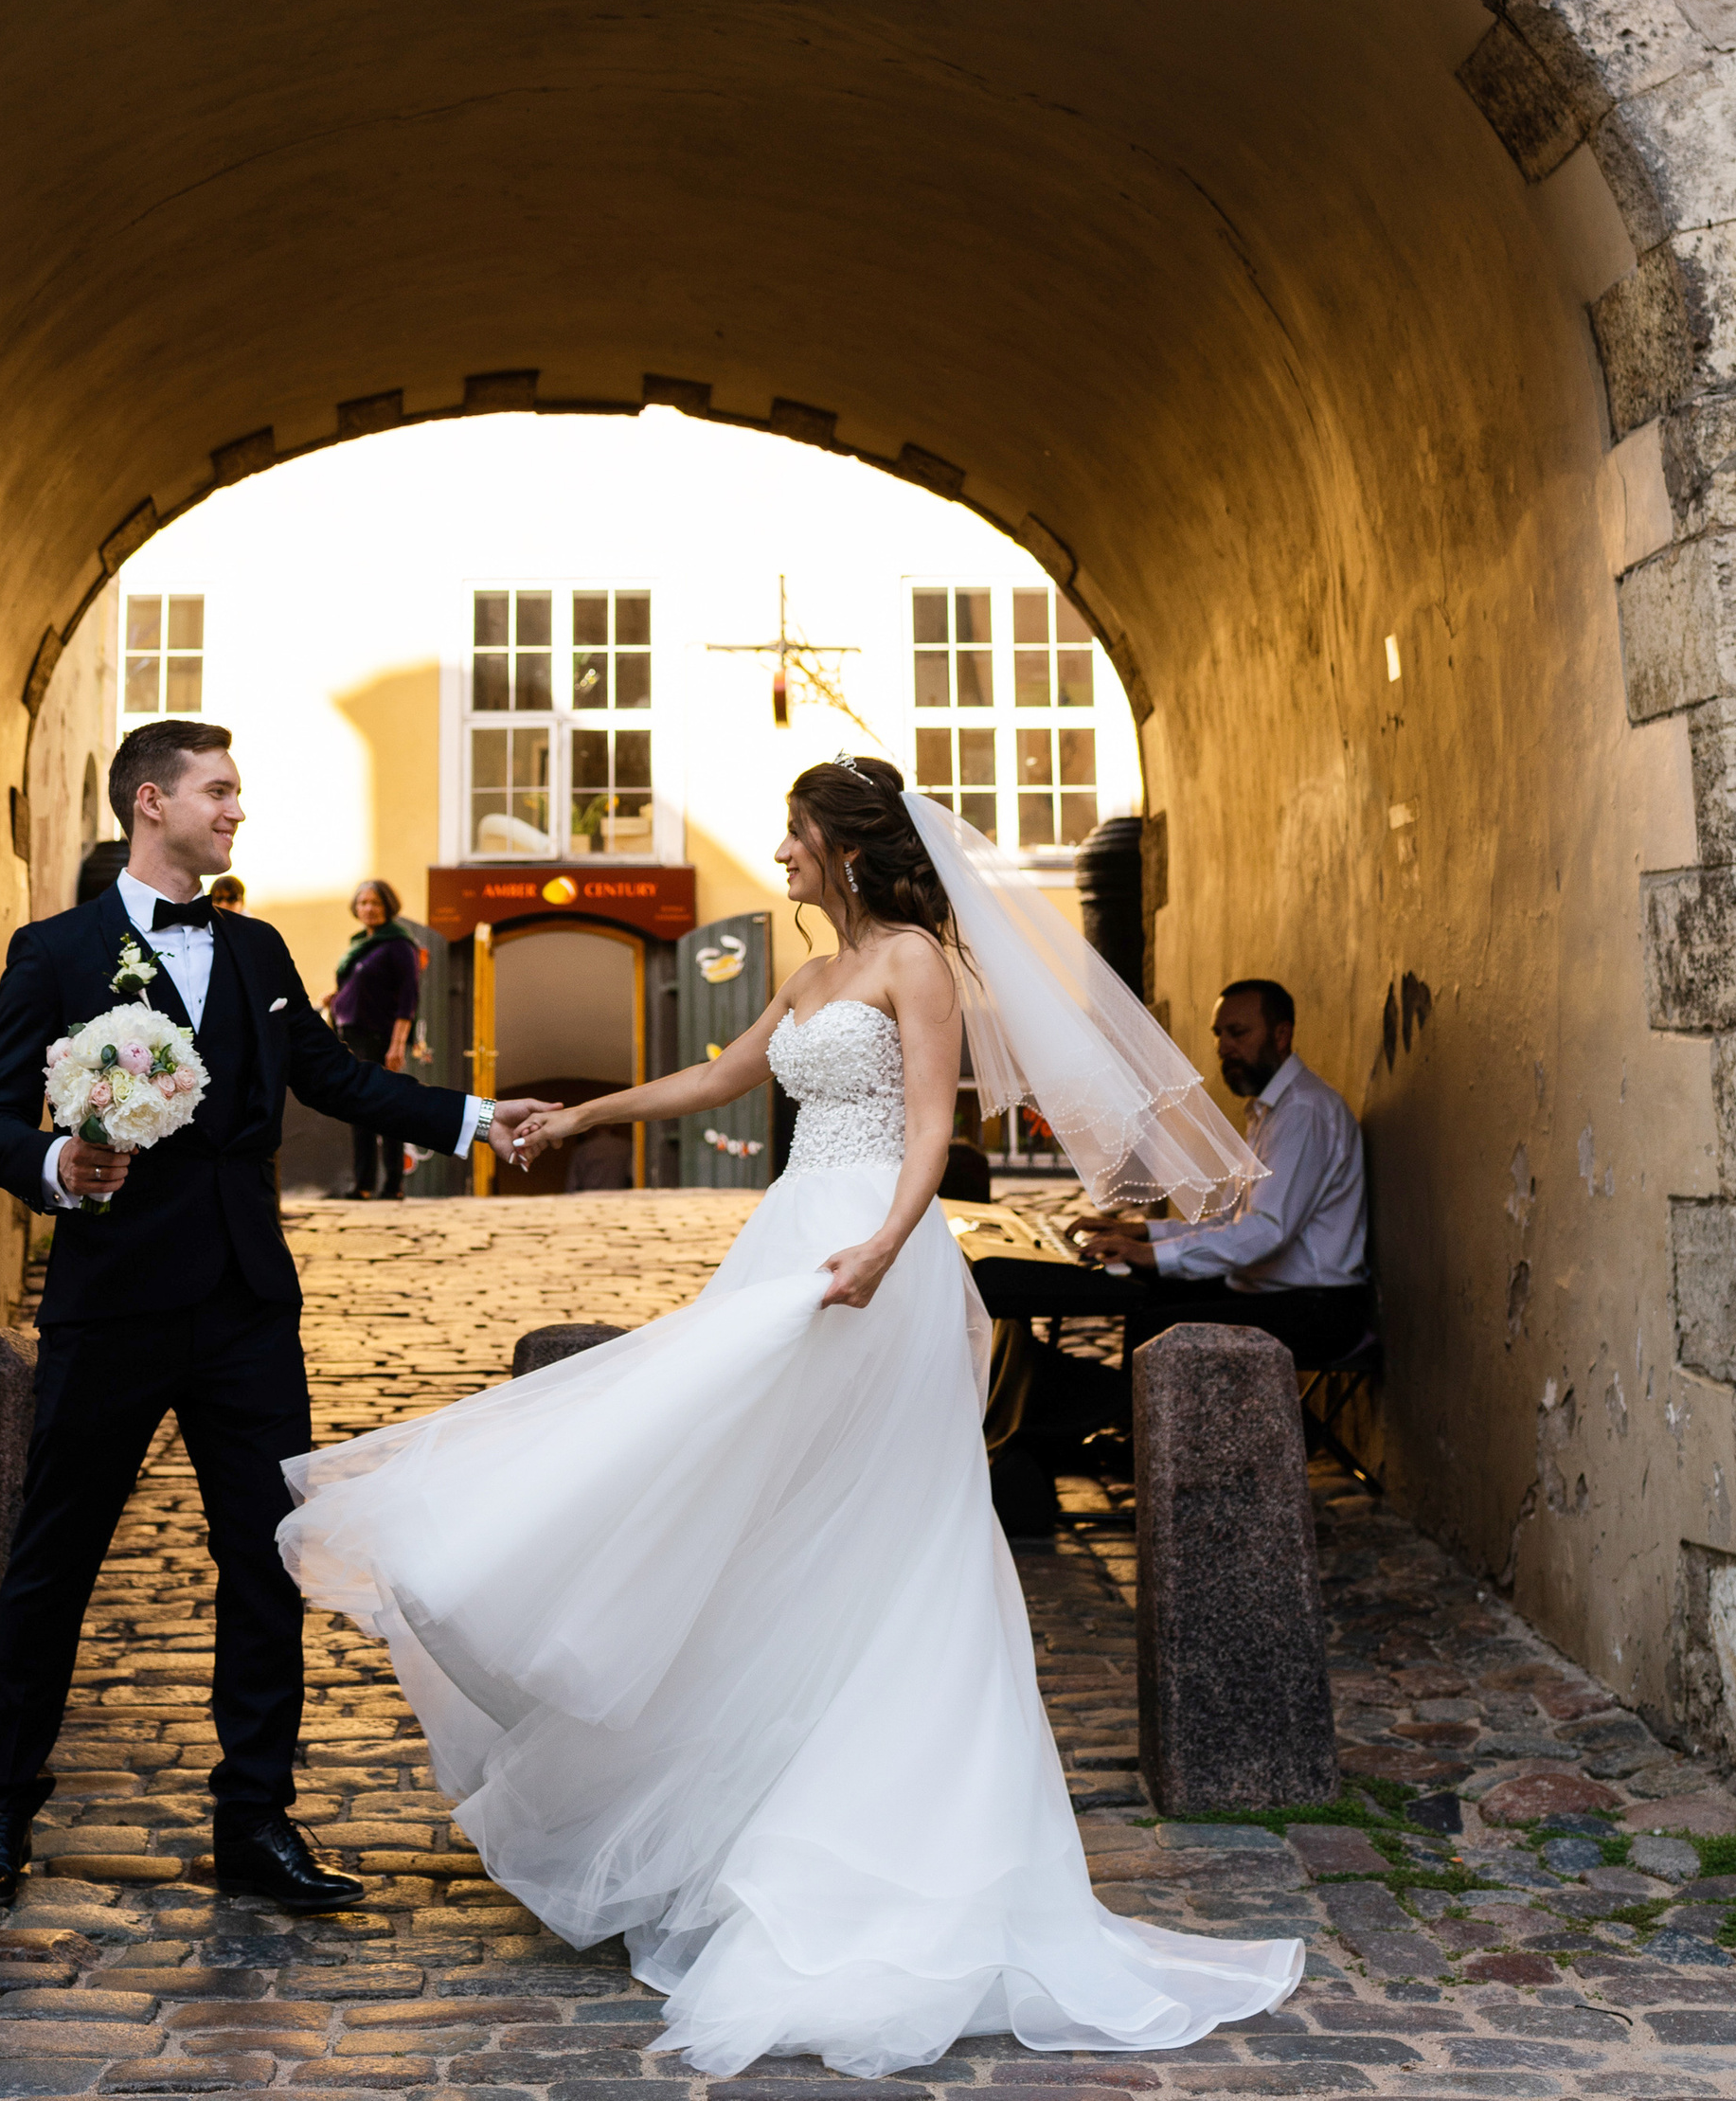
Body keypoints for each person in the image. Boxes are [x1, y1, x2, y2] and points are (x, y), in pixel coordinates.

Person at [275, 755, 1302, 2077]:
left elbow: (927, 1130)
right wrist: (575, 1116)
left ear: (849, 849)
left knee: (889, 1535)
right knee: (761, 1512)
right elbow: (717, 1081)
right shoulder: (812, 975)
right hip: (789, 1240)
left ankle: (895, 1848)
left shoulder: (916, 964)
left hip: (872, 1261)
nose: (781, 853)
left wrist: (883, 1243)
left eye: (797, 833)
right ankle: (750, 1809)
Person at [0, 719, 554, 1917]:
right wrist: (59, 1162)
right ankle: (3, 1805)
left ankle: (255, 1819)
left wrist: (476, 1117)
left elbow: (335, 1076)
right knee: (53, 1559)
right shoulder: (55, 950)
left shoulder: (258, 945)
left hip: (244, 1305)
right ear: (150, 801)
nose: (236, 809)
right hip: (111, 1301)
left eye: (235, 791)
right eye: (218, 790)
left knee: (265, 1562)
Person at [974, 979, 1370, 1532]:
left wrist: (1151, 1255)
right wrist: (1141, 1232)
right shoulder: (1271, 1111)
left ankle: (1159, 1462)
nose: (1224, 1047)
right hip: (1276, 1289)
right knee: (1148, 1293)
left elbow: (1264, 1233)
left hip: (1321, 1308)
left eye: (1238, 1032)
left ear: (1281, 1035)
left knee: (1161, 1323)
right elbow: (1232, 1221)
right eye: (1219, 1034)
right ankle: (1138, 1441)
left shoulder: (1303, 1112)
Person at [321, 879, 419, 1200]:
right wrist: (337, 997)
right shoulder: (359, 943)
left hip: (379, 1037)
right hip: (352, 1035)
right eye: (363, 903)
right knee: (358, 1106)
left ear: (388, 906)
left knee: (386, 1107)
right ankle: (363, 1185)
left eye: (376, 902)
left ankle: (392, 1184)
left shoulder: (399, 944)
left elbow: (408, 998)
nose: (369, 908)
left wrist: (397, 1045)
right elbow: (361, 986)